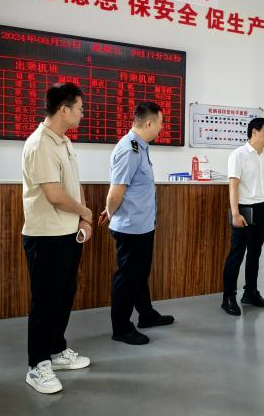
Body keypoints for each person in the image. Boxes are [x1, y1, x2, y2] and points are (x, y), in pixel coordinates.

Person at [21, 82, 92, 394]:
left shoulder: (64, 142)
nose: (82, 113)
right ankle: (37, 366)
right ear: (64, 109)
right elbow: (54, 194)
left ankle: (56, 350)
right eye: (79, 108)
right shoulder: (40, 144)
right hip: (46, 238)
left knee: (63, 296)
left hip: (67, 234)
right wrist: (85, 212)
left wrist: (83, 218)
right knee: (45, 301)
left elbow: (74, 185)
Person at [99, 102, 174, 345]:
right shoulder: (130, 149)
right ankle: (121, 328)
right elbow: (115, 192)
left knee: (140, 274)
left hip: (142, 225)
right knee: (128, 278)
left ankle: (146, 315)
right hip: (131, 228)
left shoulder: (140, 147)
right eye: (160, 123)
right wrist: (111, 213)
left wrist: (111, 210)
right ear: (149, 123)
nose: (162, 127)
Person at [221, 117, 264, 316]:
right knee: (236, 255)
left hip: (263, 209)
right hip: (244, 210)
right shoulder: (239, 155)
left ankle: (250, 293)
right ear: (254, 132)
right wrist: (235, 213)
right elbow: (233, 185)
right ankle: (228, 297)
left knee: (255, 254)